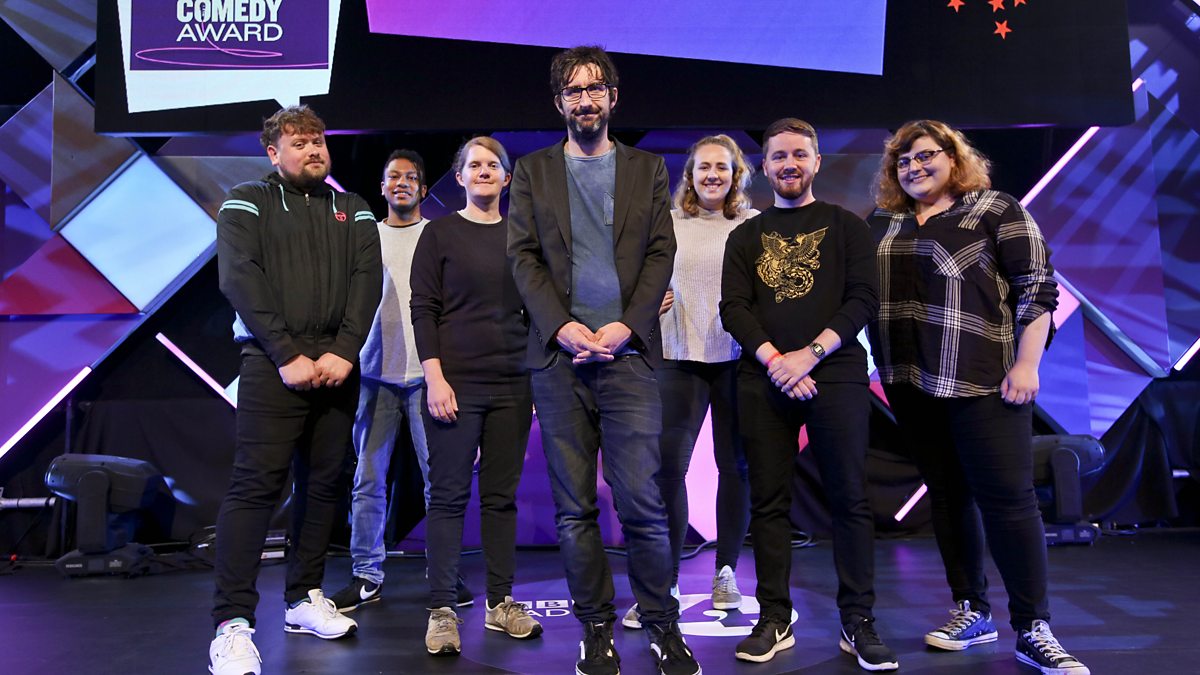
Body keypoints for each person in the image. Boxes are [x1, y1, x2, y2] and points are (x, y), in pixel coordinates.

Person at [867, 119, 1089, 675]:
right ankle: (971, 610)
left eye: (925, 156)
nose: (913, 167)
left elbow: (1037, 290)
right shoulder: (885, 222)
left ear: (953, 156)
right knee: (947, 497)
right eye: (903, 161)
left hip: (985, 380)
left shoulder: (995, 208)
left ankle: (1033, 628)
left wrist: (1027, 364)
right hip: (908, 381)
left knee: (1009, 501)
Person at [507, 45, 701, 675]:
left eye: (595, 89)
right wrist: (561, 327)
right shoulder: (532, 171)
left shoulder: (648, 169)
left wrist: (626, 325)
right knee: (574, 511)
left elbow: (660, 253)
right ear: (559, 102)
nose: (585, 100)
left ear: (613, 98)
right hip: (558, 361)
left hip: (628, 357)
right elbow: (522, 257)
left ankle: (663, 626)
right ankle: (596, 629)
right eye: (573, 90)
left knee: (642, 503)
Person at [719, 118, 898, 671]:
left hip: (836, 372)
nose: (789, 164)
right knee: (769, 501)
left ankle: (857, 619)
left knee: (850, 498)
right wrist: (778, 361)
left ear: (817, 162)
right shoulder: (744, 235)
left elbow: (863, 299)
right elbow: (734, 309)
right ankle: (774, 616)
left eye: (799, 154)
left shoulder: (847, 227)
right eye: (779, 156)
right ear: (764, 167)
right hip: (764, 377)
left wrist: (809, 355)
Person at [208, 105, 381, 675]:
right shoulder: (245, 202)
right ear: (273, 153)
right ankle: (232, 624)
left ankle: (303, 598)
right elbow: (239, 277)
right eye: (299, 143)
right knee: (255, 488)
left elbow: (367, 282)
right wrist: (286, 353)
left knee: (323, 486)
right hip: (271, 363)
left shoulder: (353, 208)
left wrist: (345, 350)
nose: (313, 150)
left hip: (335, 366)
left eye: (318, 141)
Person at [411, 136, 542, 656]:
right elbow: (424, 308)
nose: (484, 171)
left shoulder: (523, 236)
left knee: (500, 498)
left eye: (493, 164)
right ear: (460, 176)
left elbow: (540, 311)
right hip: (455, 384)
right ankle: (442, 609)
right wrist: (434, 377)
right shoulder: (439, 234)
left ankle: (500, 603)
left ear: (507, 178)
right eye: (474, 164)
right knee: (447, 497)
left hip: (514, 382)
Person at [329, 150, 475, 613]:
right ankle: (366, 574)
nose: (402, 183)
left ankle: (445, 575)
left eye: (411, 177)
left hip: (429, 377)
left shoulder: (439, 235)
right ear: (382, 186)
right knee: (368, 479)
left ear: (424, 189)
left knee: (440, 483)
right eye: (394, 176)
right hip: (375, 374)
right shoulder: (364, 237)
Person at [624, 135, 758, 631]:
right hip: (677, 356)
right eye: (704, 167)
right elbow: (637, 280)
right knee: (667, 471)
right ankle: (668, 582)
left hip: (736, 357)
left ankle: (726, 572)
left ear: (736, 174)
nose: (712, 175)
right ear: (690, 174)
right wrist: (647, 302)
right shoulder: (669, 222)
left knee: (735, 467)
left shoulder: (752, 223)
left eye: (721, 167)